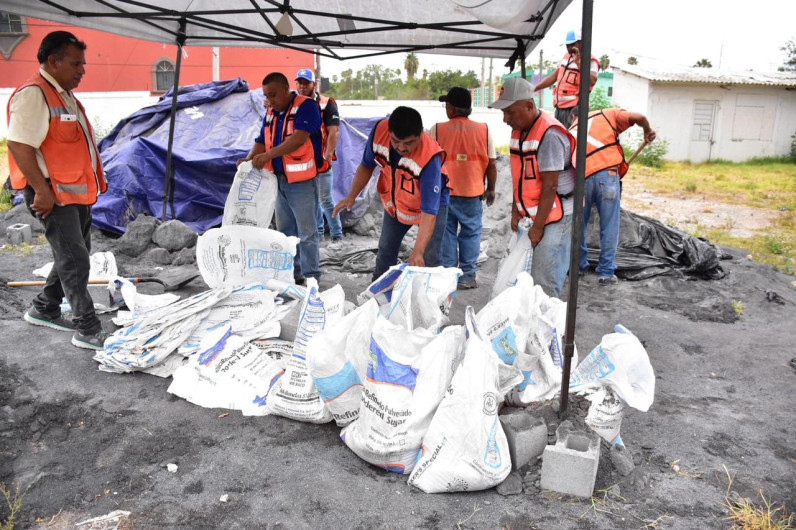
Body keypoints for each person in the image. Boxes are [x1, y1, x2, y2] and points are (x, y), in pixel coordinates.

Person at [7, 31, 108, 350]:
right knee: (75, 258)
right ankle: (88, 328)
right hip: (51, 194)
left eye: (83, 63)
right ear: (52, 61)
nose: (82, 70)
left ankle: (44, 307)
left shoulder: (64, 95)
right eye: (76, 63)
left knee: (74, 256)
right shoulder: (34, 94)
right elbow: (19, 145)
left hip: (74, 194)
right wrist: (41, 190)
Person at [333, 106, 448, 282]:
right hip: (395, 204)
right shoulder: (379, 132)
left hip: (430, 208)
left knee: (429, 258)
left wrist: (417, 251)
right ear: (389, 132)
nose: (401, 147)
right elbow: (366, 165)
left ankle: (428, 300)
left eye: (409, 143)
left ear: (420, 135)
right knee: (386, 250)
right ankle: (378, 293)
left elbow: (429, 212)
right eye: (395, 141)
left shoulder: (430, 158)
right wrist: (351, 196)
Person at [489, 77, 575, 298]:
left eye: (510, 112)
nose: (505, 119)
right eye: (503, 113)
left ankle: (546, 329)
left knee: (544, 280)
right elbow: (522, 176)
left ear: (529, 106)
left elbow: (550, 186)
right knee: (525, 276)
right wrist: (516, 209)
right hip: (537, 212)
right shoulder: (520, 130)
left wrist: (537, 227)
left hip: (558, 213)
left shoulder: (550, 134)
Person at [237, 72, 323, 285]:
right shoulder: (271, 112)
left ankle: (312, 278)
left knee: (307, 233)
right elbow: (261, 140)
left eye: (273, 95)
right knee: (286, 234)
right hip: (277, 181)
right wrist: (248, 160)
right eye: (267, 95)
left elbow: (298, 139)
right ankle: (293, 276)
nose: (270, 100)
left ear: (286, 88)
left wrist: (267, 156)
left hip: (302, 183)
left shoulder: (306, 107)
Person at [570, 107, 656, 284]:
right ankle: (606, 273)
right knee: (609, 227)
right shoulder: (607, 114)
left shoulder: (570, 131)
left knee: (578, 225)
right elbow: (639, 115)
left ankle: (577, 267)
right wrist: (647, 130)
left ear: (573, 117)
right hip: (608, 177)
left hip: (581, 179)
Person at [431, 87, 496, 290]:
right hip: (472, 192)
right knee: (471, 232)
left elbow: (429, 162)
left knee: (447, 232)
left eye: (446, 105)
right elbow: (492, 164)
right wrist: (491, 189)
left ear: (451, 108)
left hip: (444, 191)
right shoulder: (484, 129)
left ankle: (450, 274)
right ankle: (467, 276)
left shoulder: (437, 129)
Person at [295, 68, 343, 246]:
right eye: (299, 82)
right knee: (312, 200)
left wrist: (328, 155)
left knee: (325, 199)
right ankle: (320, 233)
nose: (302, 86)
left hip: (321, 161)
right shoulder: (295, 103)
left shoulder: (326, 103)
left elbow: (334, 131)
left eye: (306, 83)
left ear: (313, 84)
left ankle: (337, 235)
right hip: (303, 161)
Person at [533, 30, 599, 128]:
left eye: (572, 44)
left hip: (576, 109)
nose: (569, 48)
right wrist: (534, 88)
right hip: (560, 108)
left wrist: (578, 63)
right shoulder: (566, 57)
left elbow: (592, 80)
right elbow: (555, 76)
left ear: (581, 43)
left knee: (572, 139)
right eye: (567, 45)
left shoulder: (590, 60)